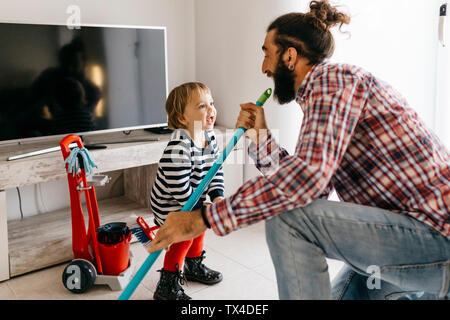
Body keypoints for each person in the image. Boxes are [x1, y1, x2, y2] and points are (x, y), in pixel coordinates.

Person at [148, 0, 450, 300]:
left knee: (288, 219)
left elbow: (305, 183)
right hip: (412, 232)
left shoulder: (333, 82)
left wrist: (202, 217)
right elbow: (309, 188)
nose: (264, 67)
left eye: (267, 54)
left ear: (289, 56)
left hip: (436, 235)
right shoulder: (327, 92)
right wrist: (262, 137)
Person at [149, 82, 225, 300]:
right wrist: (201, 209)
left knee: (198, 228)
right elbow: (178, 189)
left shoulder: (210, 138)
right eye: (202, 106)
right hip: (171, 204)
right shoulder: (178, 147)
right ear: (182, 118)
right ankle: (167, 285)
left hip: (193, 198)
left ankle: (193, 267)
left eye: (212, 103)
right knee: (183, 236)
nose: (211, 110)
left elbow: (214, 171)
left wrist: (217, 195)